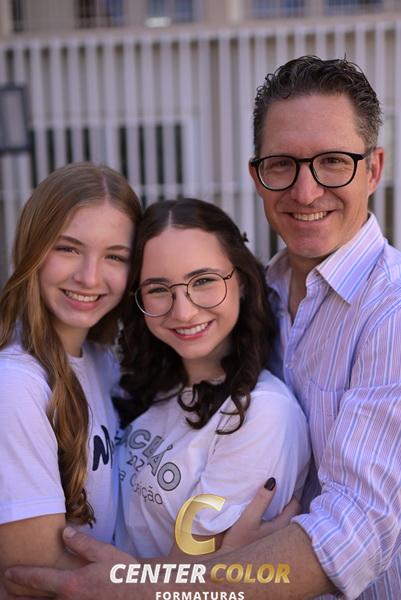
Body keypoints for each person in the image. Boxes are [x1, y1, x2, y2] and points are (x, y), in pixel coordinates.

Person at [5, 55, 401, 599]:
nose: (306, 192)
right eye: (282, 164)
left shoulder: (390, 313)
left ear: (374, 169)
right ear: (257, 175)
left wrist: (147, 587)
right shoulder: (262, 297)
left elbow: (356, 530)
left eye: (333, 162)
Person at [114, 197, 310, 558]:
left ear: (242, 281)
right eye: (158, 289)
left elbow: (188, 578)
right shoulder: (150, 381)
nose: (184, 312)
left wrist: (104, 578)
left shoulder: (261, 414)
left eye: (203, 280)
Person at [0, 162, 142, 596]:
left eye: (115, 256)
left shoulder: (102, 361)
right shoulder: (16, 384)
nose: (89, 277)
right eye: (68, 248)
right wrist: (212, 573)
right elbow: (36, 574)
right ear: (33, 248)